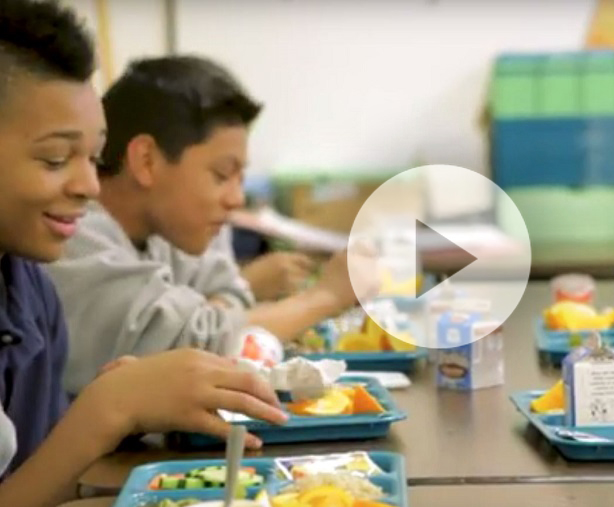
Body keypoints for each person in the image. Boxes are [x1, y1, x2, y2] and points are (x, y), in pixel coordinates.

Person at [0, 1, 288, 504]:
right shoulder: (64, 257)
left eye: (93, 157)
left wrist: (122, 414)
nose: (91, 186)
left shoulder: (29, 288)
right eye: (55, 158)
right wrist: (109, 410)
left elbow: (40, 477)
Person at [45, 55, 377, 394]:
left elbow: (227, 294)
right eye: (222, 174)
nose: (235, 198)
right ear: (146, 160)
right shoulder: (71, 237)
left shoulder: (168, 232)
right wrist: (325, 296)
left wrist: (211, 316)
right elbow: (201, 342)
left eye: (240, 177)